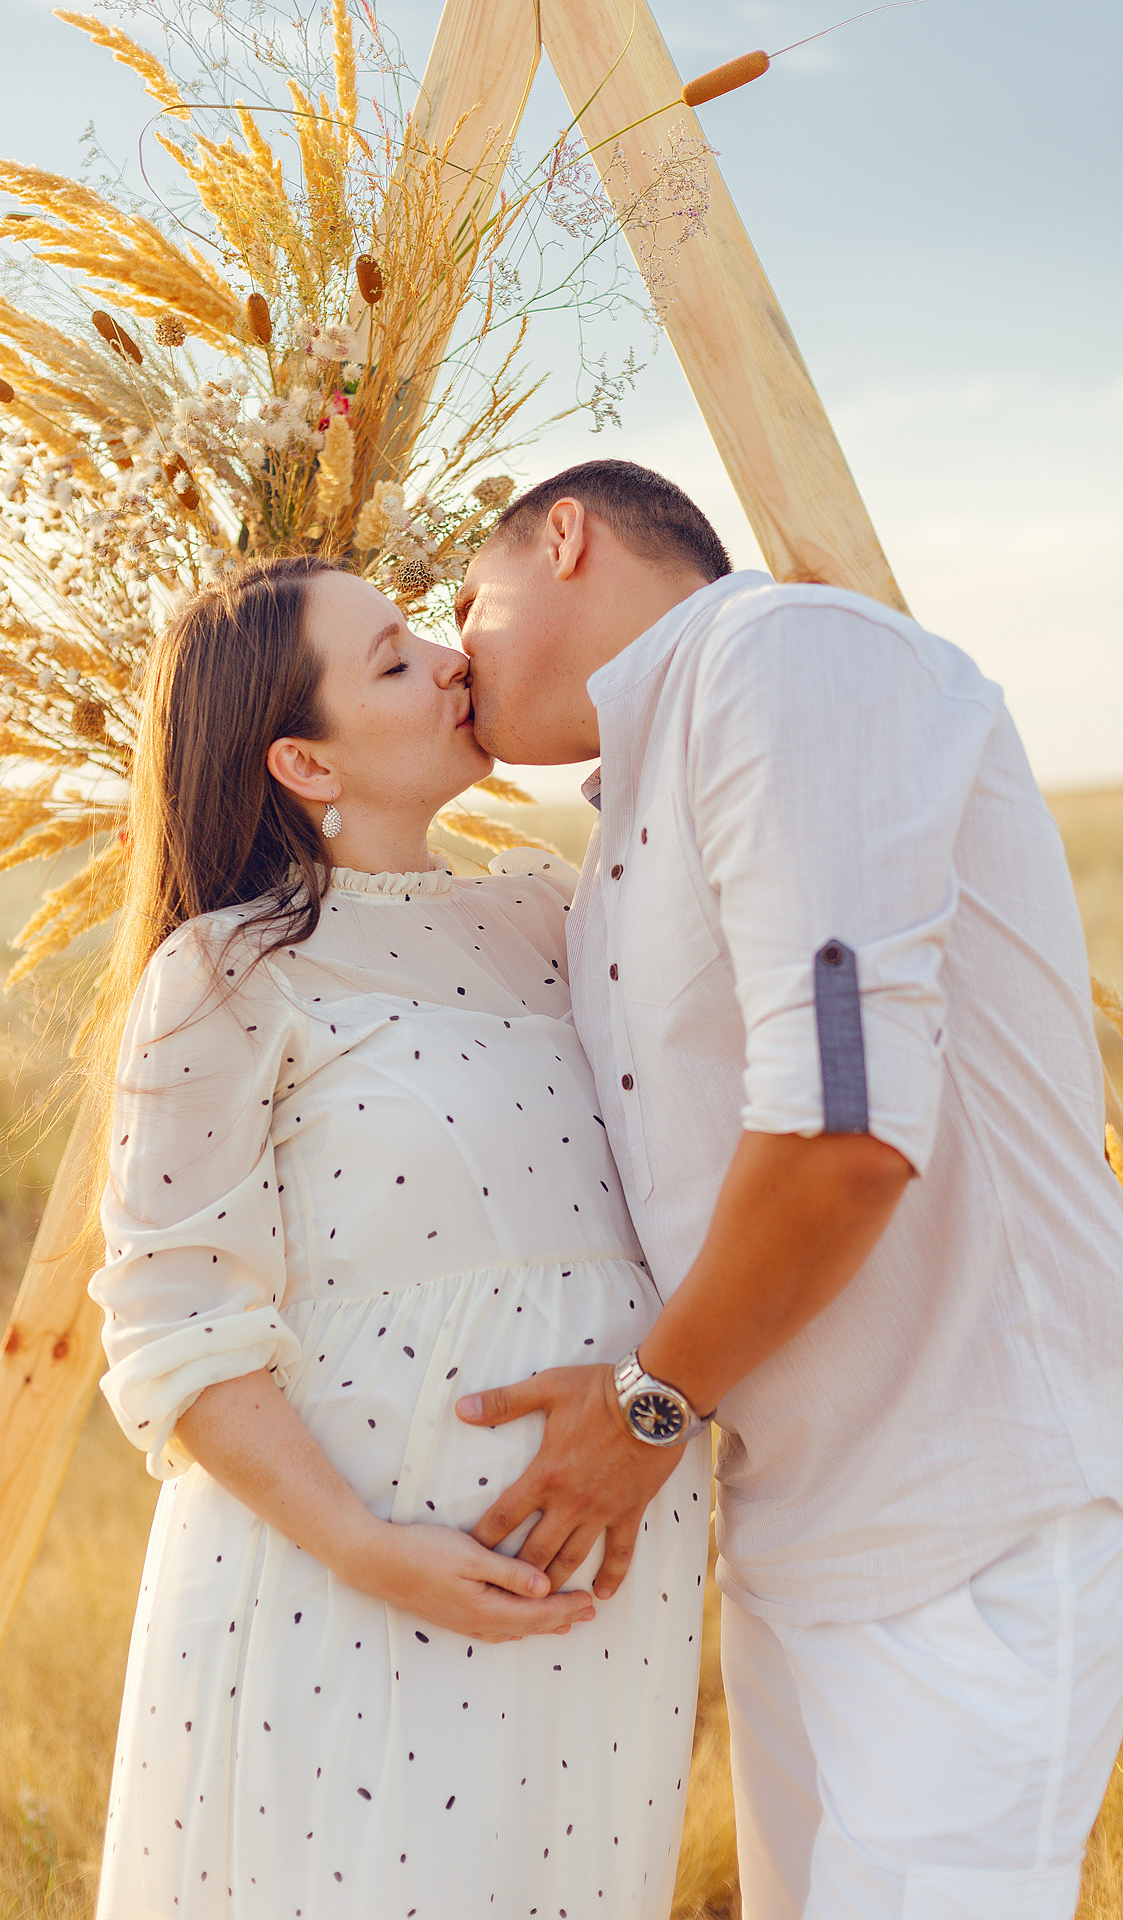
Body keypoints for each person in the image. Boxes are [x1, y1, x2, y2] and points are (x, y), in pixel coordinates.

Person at [453, 459, 1123, 1920]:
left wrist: (642, 1411)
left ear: (564, 537)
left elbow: (843, 1127)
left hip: (966, 1529)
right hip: (798, 1542)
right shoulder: (626, 813)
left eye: (465, 602)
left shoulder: (784, 657)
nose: (456, 654)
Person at [86, 553, 710, 1920]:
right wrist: (362, 1550)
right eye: (391, 659)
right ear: (306, 764)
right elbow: (174, 1323)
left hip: (600, 1572)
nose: (448, 659)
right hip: (349, 1587)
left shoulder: (558, 912)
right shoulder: (227, 969)